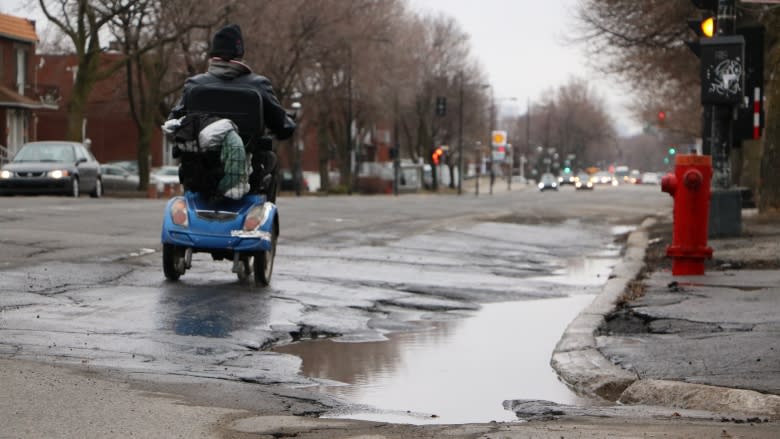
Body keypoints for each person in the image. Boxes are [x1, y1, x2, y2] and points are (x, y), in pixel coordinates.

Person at [169, 23, 296, 200]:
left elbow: (174, 122)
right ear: (239, 53)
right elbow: (285, 127)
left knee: (188, 161)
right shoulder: (259, 85)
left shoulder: (194, 85)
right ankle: (262, 211)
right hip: (250, 173)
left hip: (200, 173)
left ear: (213, 53)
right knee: (271, 159)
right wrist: (286, 123)